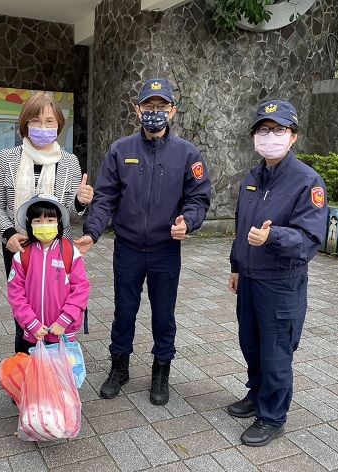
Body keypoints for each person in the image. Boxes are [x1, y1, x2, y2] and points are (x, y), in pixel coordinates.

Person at [75, 78, 211, 406]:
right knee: (124, 311)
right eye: (148, 106)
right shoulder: (120, 150)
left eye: (161, 107)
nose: (154, 113)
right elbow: (105, 196)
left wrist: (187, 221)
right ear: (137, 110)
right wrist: (92, 231)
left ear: (173, 111)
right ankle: (119, 368)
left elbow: (199, 197)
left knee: (163, 314)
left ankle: (161, 371)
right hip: (128, 249)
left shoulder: (187, 153)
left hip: (166, 250)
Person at [227, 100, 327, 447]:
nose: (270, 136)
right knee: (250, 343)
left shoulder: (307, 181)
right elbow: (241, 227)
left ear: (293, 136)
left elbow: (311, 238)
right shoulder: (253, 177)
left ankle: (272, 417)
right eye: (263, 130)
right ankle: (256, 394)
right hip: (250, 279)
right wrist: (236, 266)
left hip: (282, 283)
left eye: (278, 130)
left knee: (276, 351)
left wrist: (274, 236)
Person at [0, 92, 94, 354]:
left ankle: (56, 375)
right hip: (19, 248)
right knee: (24, 312)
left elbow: (69, 214)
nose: (43, 127)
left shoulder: (68, 162)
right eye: (36, 121)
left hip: (58, 250)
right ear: (25, 124)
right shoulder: (7, 158)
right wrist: (10, 233)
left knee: (57, 311)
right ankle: (25, 377)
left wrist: (80, 202)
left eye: (49, 121)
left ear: (58, 124)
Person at [7, 193, 90, 354]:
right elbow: (16, 295)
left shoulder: (70, 252)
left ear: (58, 221)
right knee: (35, 376)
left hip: (62, 332)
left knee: (61, 377)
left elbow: (81, 289)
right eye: (37, 221)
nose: (44, 224)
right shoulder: (22, 256)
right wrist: (32, 324)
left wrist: (64, 320)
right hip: (34, 334)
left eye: (50, 220)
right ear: (29, 224)